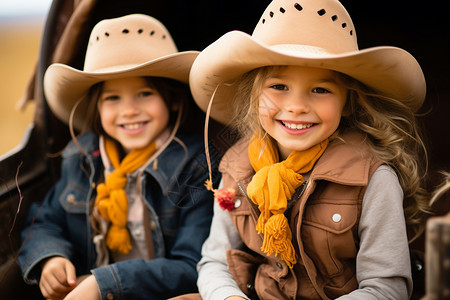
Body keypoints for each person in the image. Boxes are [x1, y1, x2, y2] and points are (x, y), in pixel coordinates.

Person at [185, 0, 430, 299]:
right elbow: (214, 260)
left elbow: (386, 287)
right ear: (254, 96)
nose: (297, 107)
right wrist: (229, 296)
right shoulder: (236, 167)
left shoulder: (372, 178)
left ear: (348, 102)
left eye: (320, 90)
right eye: (278, 87)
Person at [17, 14, 219, 300]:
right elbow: (45, 221)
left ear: (172, 100)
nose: (129, 111)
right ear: (96, 106)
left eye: (144, 93)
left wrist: (103, 284)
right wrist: (50, 258)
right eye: (113, 98)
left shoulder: (197, 164)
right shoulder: (82, 158)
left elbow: (193, 264)